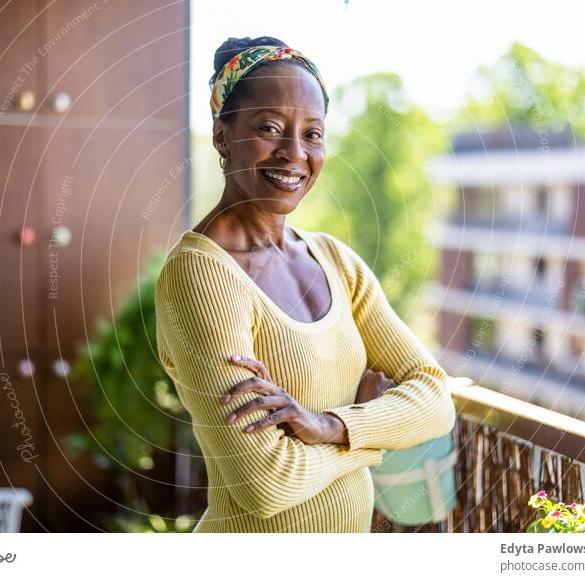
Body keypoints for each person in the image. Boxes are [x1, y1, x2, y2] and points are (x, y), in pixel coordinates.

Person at [154, 36, 456, 532]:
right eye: (270, 127)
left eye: (313, 134)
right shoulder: (201, 276)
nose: (294, 153)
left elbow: (435, 399)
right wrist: (370, 430)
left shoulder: (336, 261)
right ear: (221, 135)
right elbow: (267, 483)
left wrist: (332, 425)